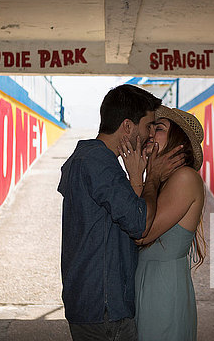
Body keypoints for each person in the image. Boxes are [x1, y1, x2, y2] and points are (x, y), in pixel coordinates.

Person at [58, 85, 185, 341]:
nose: (151, 134)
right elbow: (139, 223)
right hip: (104, 309)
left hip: (93, 304)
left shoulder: (89, 157)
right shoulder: (99, 163)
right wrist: (152, 179)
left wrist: (137, 178)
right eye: (148, 125)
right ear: (127, 126)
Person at [120, 105, 206, 341]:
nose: (150, 133)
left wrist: (148, 178)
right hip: (147, 282)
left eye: (159, 128)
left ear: (179, 141)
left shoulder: (185, 178)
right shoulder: (160, 182)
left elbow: (141, 233)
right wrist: (143, 177)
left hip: (163, 290)